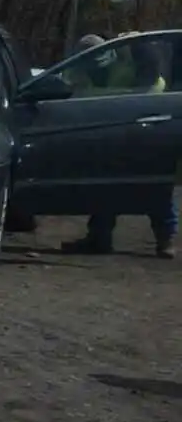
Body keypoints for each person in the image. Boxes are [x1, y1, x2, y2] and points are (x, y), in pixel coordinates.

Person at [59, 33, 177, 258]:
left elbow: (149, 87)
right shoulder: (81, 71)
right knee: (106, 186)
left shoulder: (132, 65)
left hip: (145, 128)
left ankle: (165, 239)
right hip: (111, 132)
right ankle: (99, 237)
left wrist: (136, 43)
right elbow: (71, 92)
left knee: (155, 185)